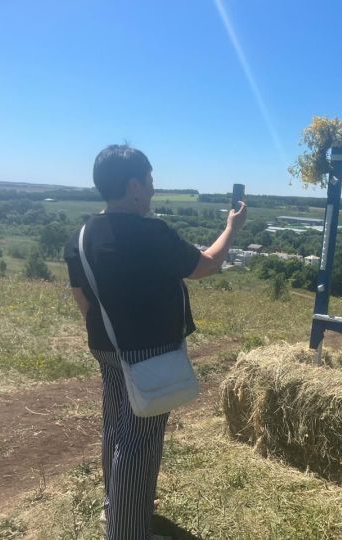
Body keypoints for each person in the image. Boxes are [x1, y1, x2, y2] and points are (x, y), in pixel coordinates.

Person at [64, 145, 247, 540]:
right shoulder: (151, 233)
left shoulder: (81, 235)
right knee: (139, 442)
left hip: (107, 348)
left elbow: (82, 299)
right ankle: (127, 531)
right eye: (149, 181)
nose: (152, 188)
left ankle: (118, 508)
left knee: (116, 427)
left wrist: (114, 335)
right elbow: (207, 265)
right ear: (132, 186)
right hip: (148, 355)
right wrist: (233, 227)